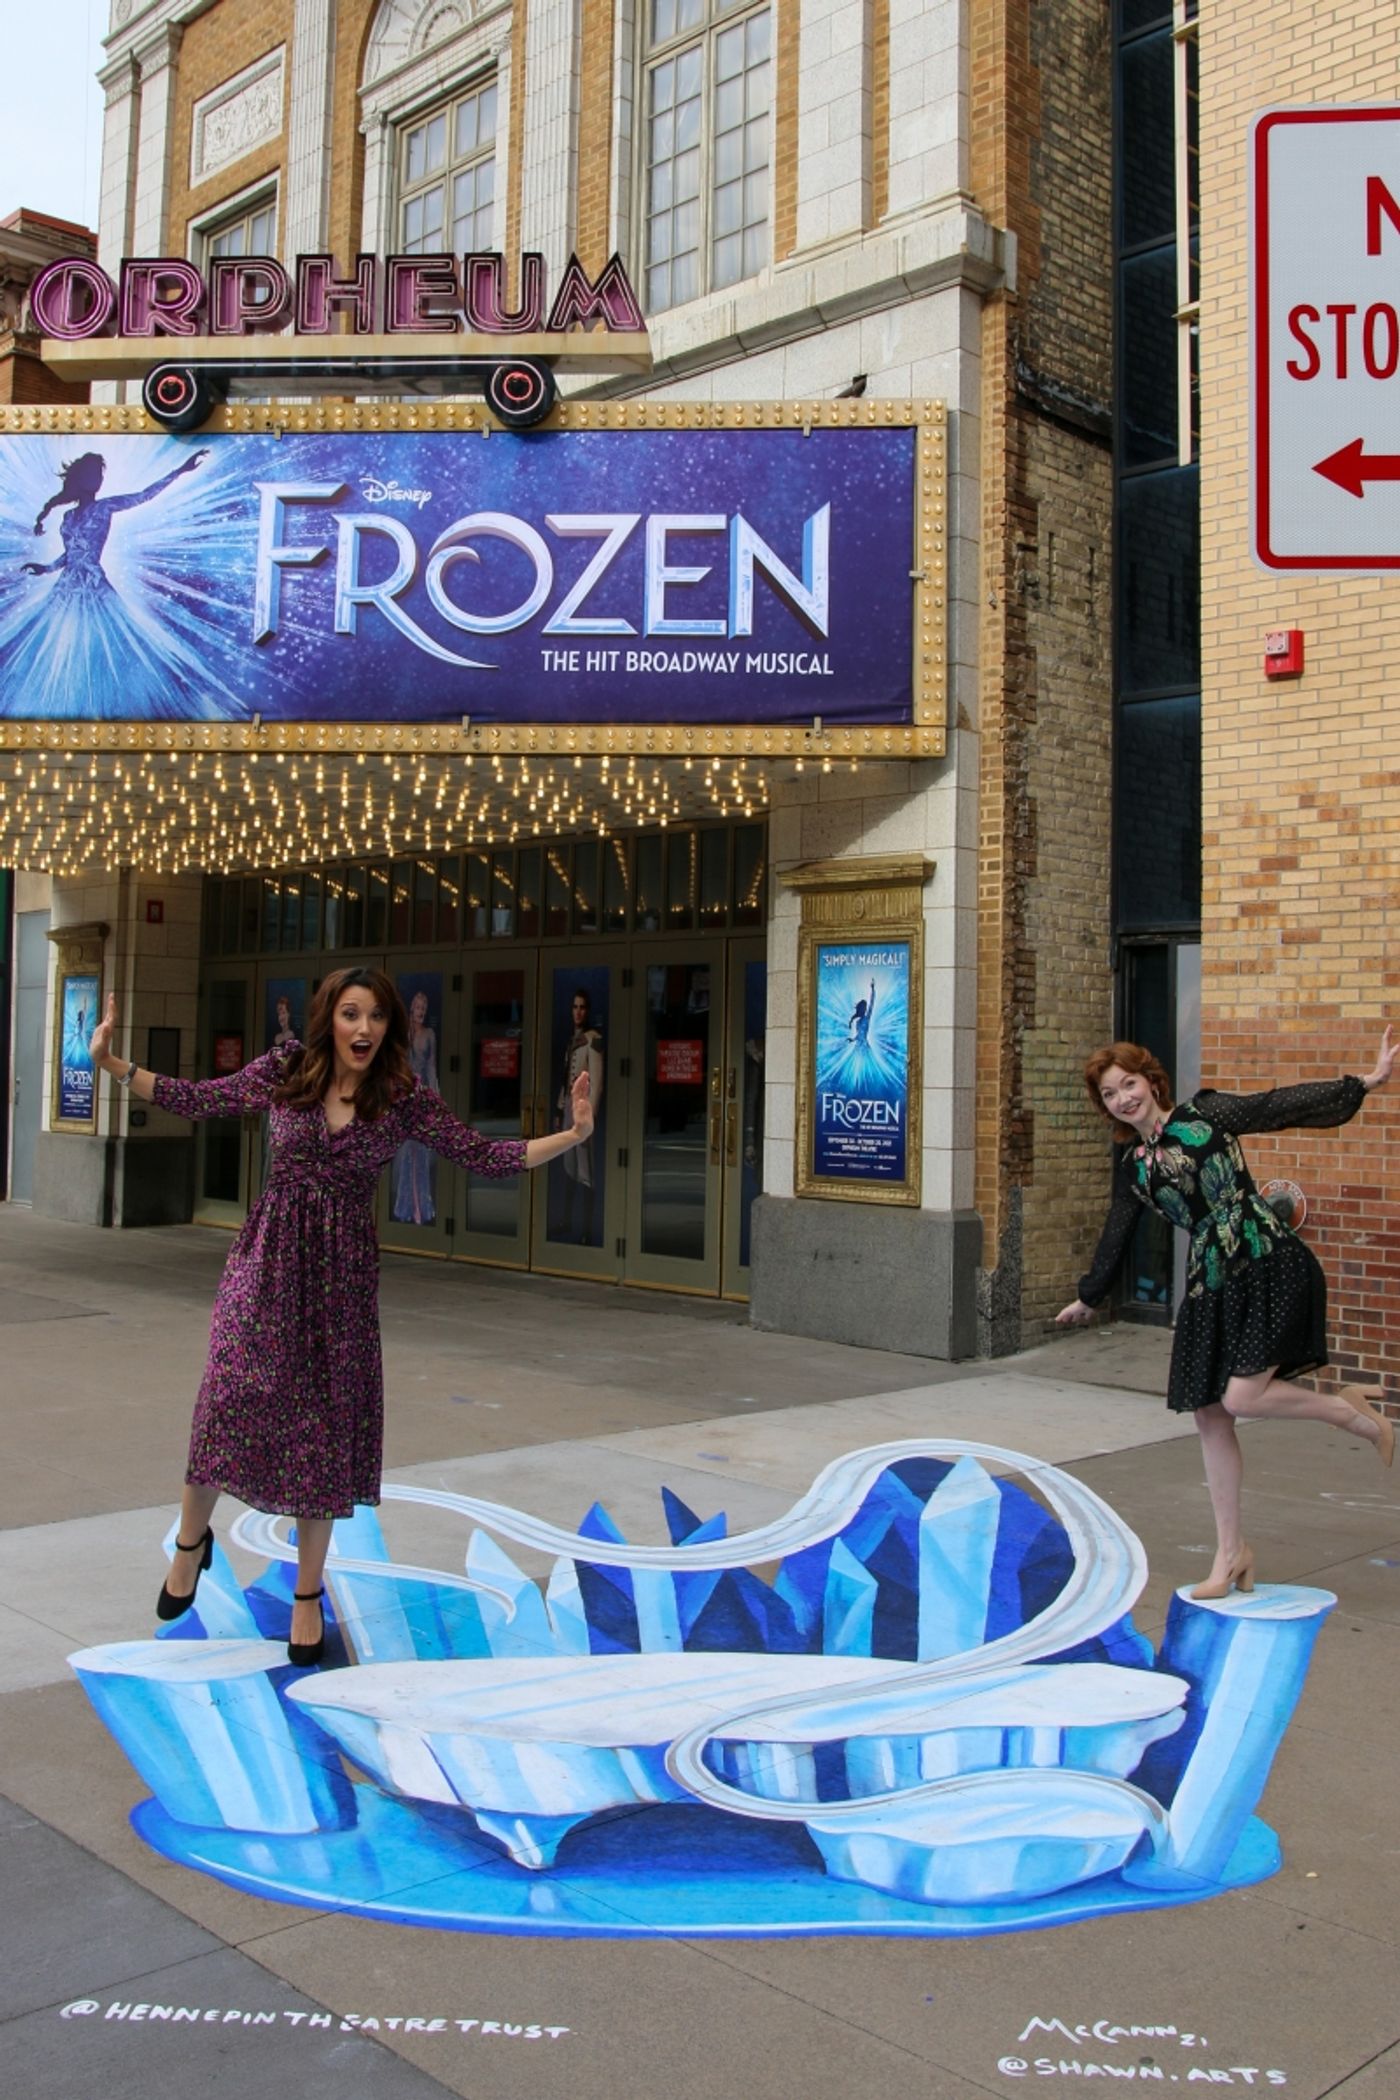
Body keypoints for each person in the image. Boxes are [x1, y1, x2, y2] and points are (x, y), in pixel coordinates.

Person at [88, 965, 595, 1666]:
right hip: (265, 1264)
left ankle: (307, 1596)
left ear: (390, 1027)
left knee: (321, 1432)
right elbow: (199, 1099)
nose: (364, 1028)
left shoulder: (400, 1096)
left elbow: (483, 1154)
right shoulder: (286, 1069)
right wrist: (114, 1064)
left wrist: (574, 1133)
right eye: (352, 1014)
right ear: (330, 1017)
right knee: (225, 1400)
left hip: (342, 1283)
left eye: (377, 1017)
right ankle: (190, 1543)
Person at [1057, 1032, 1396, 1600]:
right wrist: (1091, 1295)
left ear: (1152, 1082)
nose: (1123, 1098)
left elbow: (1276, 1105)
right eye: (1110, 1093)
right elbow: (1120, 1228)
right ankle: (1231, 1551)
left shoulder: (1205, 1114)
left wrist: (1362, 1083)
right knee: (1212, 1417)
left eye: (1129, 1084)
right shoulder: (1133, 1165)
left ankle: (1351, 1413)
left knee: (1241, 1398)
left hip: (1266, 1260)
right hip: (1212, 1284)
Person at [555, 987, 604, 1243]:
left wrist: (590, 1120)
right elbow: (566, 1079)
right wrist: (558, 1107)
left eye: (582, 1007)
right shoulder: (571, 1041)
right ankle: (565, 1220)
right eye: (574, 1007)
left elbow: (596, 1082)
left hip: (583, 1113)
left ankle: (587, 1229)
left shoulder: (592, 1040)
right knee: (569, 1167)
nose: (578, 1012)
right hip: (567, 1112)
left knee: (586, 1171)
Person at [389, 988, 440, 1225]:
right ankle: (403, 1207)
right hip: (402, 1097)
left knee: (419, 1152)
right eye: (417, 1008)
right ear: (411, 1009)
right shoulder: (402, 1033)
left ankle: (421, 1208)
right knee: (404, 1154)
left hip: (421, 1097)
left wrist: (435, 1099)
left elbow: (431, 1067)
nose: (420, 1012)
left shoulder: (429, 1034)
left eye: (424, 1009)